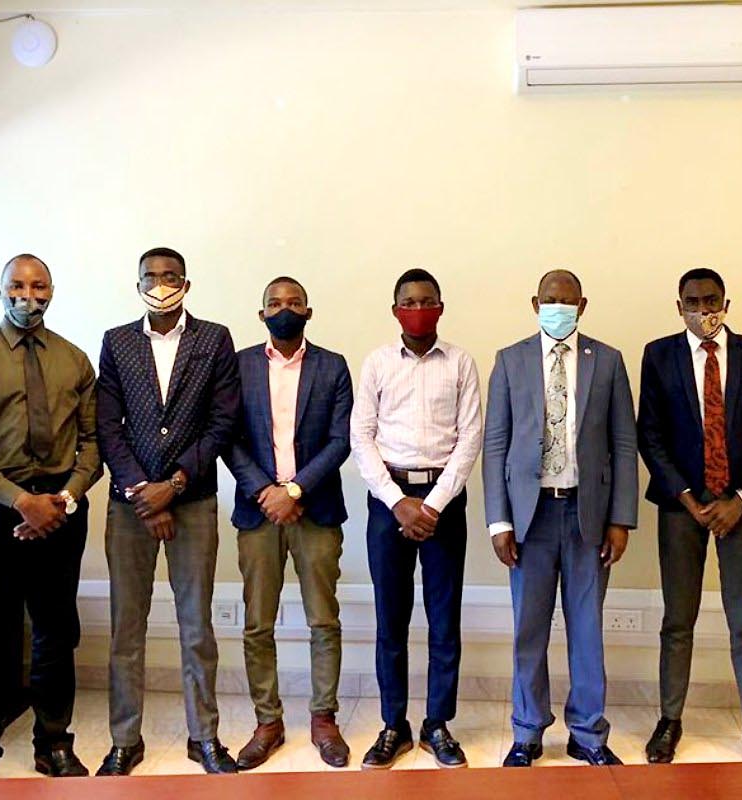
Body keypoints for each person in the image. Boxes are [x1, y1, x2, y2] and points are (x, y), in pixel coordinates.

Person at [0, 254, 101, 779]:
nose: (28, 294)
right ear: (0, 289)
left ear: (53, 291)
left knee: (56, 636)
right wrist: (18, 500)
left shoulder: (74, 360)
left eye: (39, 285)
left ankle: (54, 744)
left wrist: (64, 499)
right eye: (18, 285)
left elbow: (93, 444)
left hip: (61, 510)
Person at [95, 247, 240, 775]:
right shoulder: (117, 342)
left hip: (193, 500)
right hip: (128, 505)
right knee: (125, 629)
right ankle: (124, 741)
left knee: (196, 626)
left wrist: (173, 485)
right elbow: (108, 426)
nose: (160, 283)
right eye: (150, 276)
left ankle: (204, 736)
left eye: (169, 275)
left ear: (186, 282)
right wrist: (142, 490)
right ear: (136, 284)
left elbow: (222, 424)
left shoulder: (214, 339)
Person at [637, 267, 742, 763]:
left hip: (739, 507)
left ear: (727, 303)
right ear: (677, 306)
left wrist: (741, 500)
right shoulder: (658, 355)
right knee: (677, 620)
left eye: (711, 300)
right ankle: (669, 720)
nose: (703, 309)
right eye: (692, 301)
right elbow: (650, 436)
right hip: (681, 507)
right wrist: (686, 497)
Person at [484, 270, 637, 768]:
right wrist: (498, 522)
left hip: (586, 513)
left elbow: (622, 443)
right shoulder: (509, 361)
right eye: (550, 300)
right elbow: (495, 446)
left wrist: (621, 519)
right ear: (535, 303)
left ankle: (588, 733)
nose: (558, 307)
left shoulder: (608, 361)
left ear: (582, 305)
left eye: (567, 301)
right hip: (530, 518)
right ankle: (527, 731)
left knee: (586, 629)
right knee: (529, 629)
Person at [350, 268, 482, 769]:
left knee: (444, 619)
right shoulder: (378, 363)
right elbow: (361, 437)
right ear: (395, 310)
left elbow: (470, 438)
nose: (418, 308)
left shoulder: (461, 363)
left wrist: (432, 504)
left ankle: (438, 725)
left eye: (427, 300)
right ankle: (393, 725)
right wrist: (397, 501)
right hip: (389, 504)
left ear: (441, 307)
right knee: (392, 619)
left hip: (444, 503)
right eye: (409, 301)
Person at [225, 277, 354, 770]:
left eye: (294, 303)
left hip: (315, 510)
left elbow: (340, 440)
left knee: (323, 621)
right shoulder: (237, 367)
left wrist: (295, 490)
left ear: (309, 311)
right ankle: (268, 722)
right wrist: (266, 492)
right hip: (257, 511)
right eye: (275, 304)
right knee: (258, 624)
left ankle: (324, 718)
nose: (285, 309)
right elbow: (228, 437)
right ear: (261, 315)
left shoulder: (333, 366)